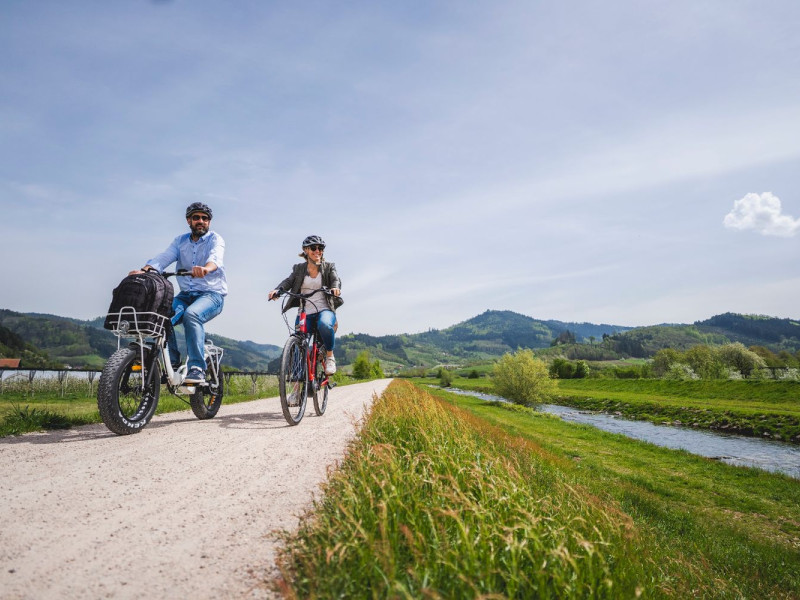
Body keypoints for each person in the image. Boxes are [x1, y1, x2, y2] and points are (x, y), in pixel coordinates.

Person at [129, 202, 227, 384]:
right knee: (161, 316)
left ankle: (197, 367)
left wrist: (206, 269)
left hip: (212, 295)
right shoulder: (180, 241)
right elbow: (164, 258)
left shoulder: (215, 239)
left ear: (209, 222)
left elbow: (216, 258)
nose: (201, 221)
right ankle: (172, 363)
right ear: (189, 220)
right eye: (196, 217)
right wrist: (145, 270)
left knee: (192, 315)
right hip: (186, 296)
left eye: (205, 218)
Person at [268, 235, 342, 374]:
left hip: (324, 309)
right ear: (306, 250)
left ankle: (330, 356)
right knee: (298, 342)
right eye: (313, 248)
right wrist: (277, 290)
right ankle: (296, 382)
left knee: (324, 324)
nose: (317, 251)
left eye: (320, 248)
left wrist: (335, 288)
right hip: (305, 312)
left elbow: (335, 279)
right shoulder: (299, 269)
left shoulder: (329, 267)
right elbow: (288, 281)